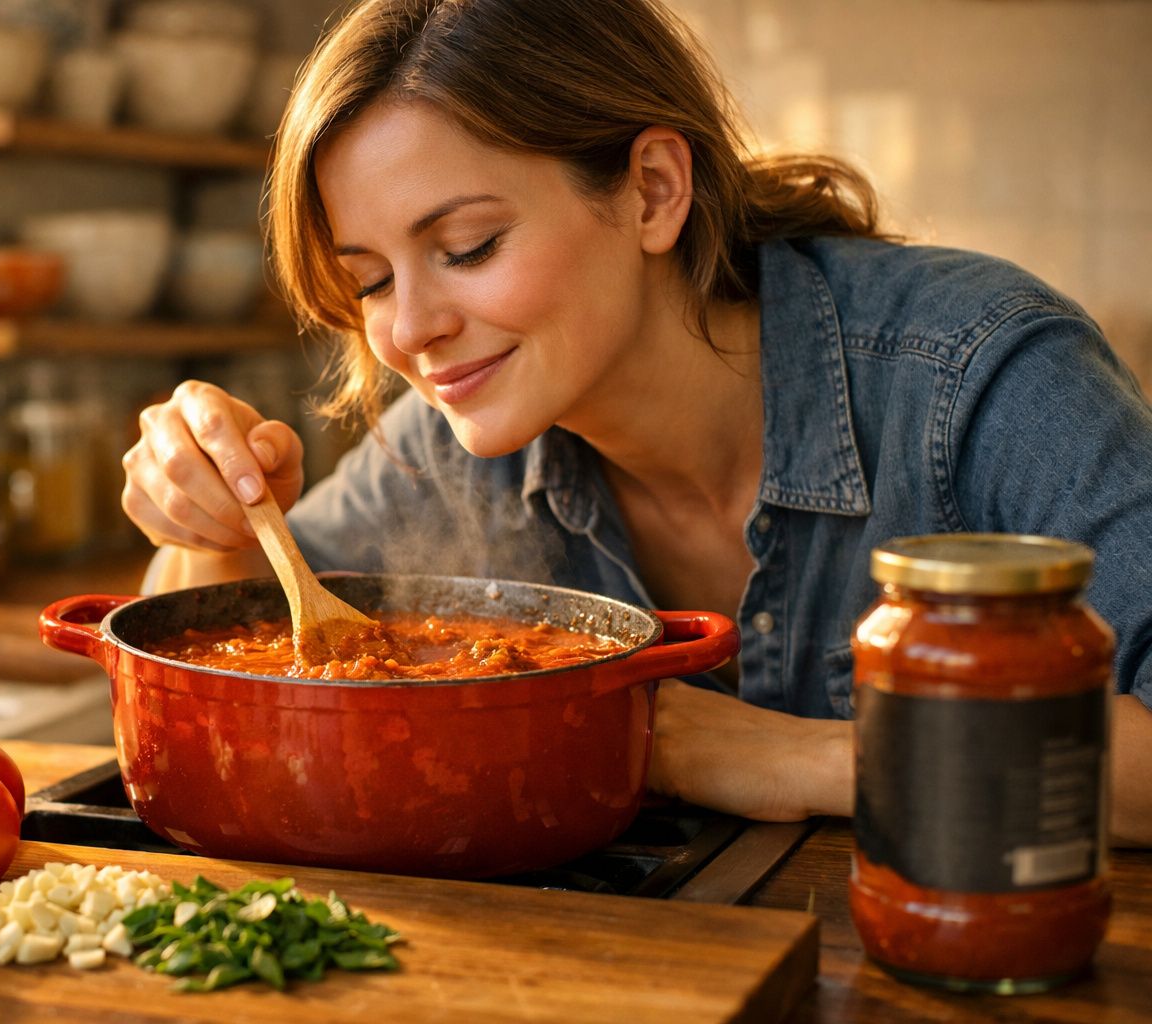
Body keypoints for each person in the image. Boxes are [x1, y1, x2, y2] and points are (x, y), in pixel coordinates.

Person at [121, 0, 1152, 846]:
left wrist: (782, 753)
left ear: (655, 191)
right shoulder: (455, 442)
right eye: (373, 280)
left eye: (469, 246)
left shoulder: (981, 373)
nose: (412, 330)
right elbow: (240, 668)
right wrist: (205, 519)